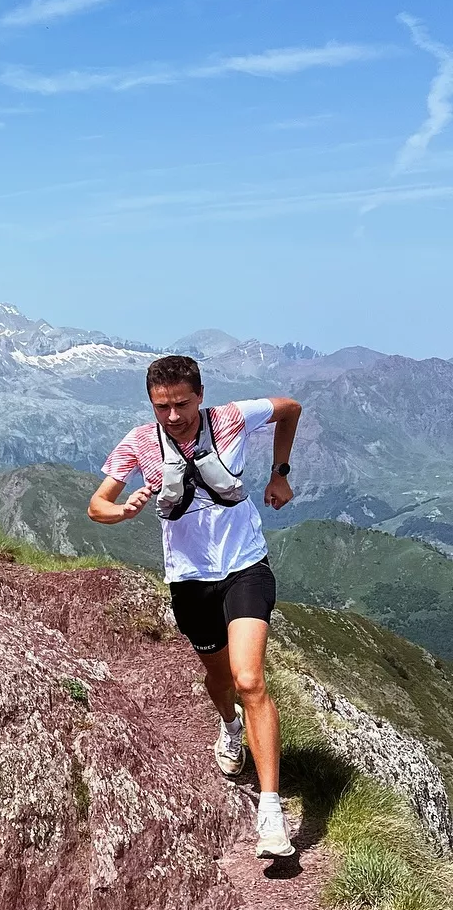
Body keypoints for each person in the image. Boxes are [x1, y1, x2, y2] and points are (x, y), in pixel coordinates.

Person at [87, 352, 302, 859]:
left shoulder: (230, 418)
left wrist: (280, 473)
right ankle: (230, 727)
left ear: (200, 396)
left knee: (250, 679)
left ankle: (271, 813)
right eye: (162, 406)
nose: (173, 416)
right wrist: (122, 511)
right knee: (220, 678)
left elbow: (289, 408)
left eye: (182, 404)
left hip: (245, 566)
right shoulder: (139, 442)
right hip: (189, 580)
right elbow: (97, 506)